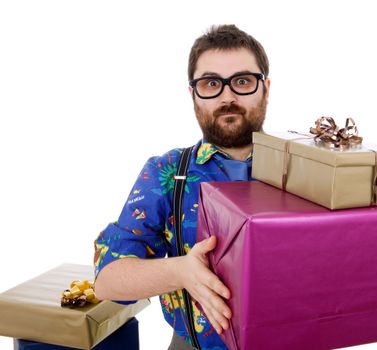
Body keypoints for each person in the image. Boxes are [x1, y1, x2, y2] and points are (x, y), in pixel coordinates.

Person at [93, 24, 271, 350]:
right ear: (193, 94)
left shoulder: (307, 166)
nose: (228, 97)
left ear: (266, 88)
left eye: (243, 81)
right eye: (211, 84)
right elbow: (107, 280)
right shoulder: (167, 172)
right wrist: (181, 272)